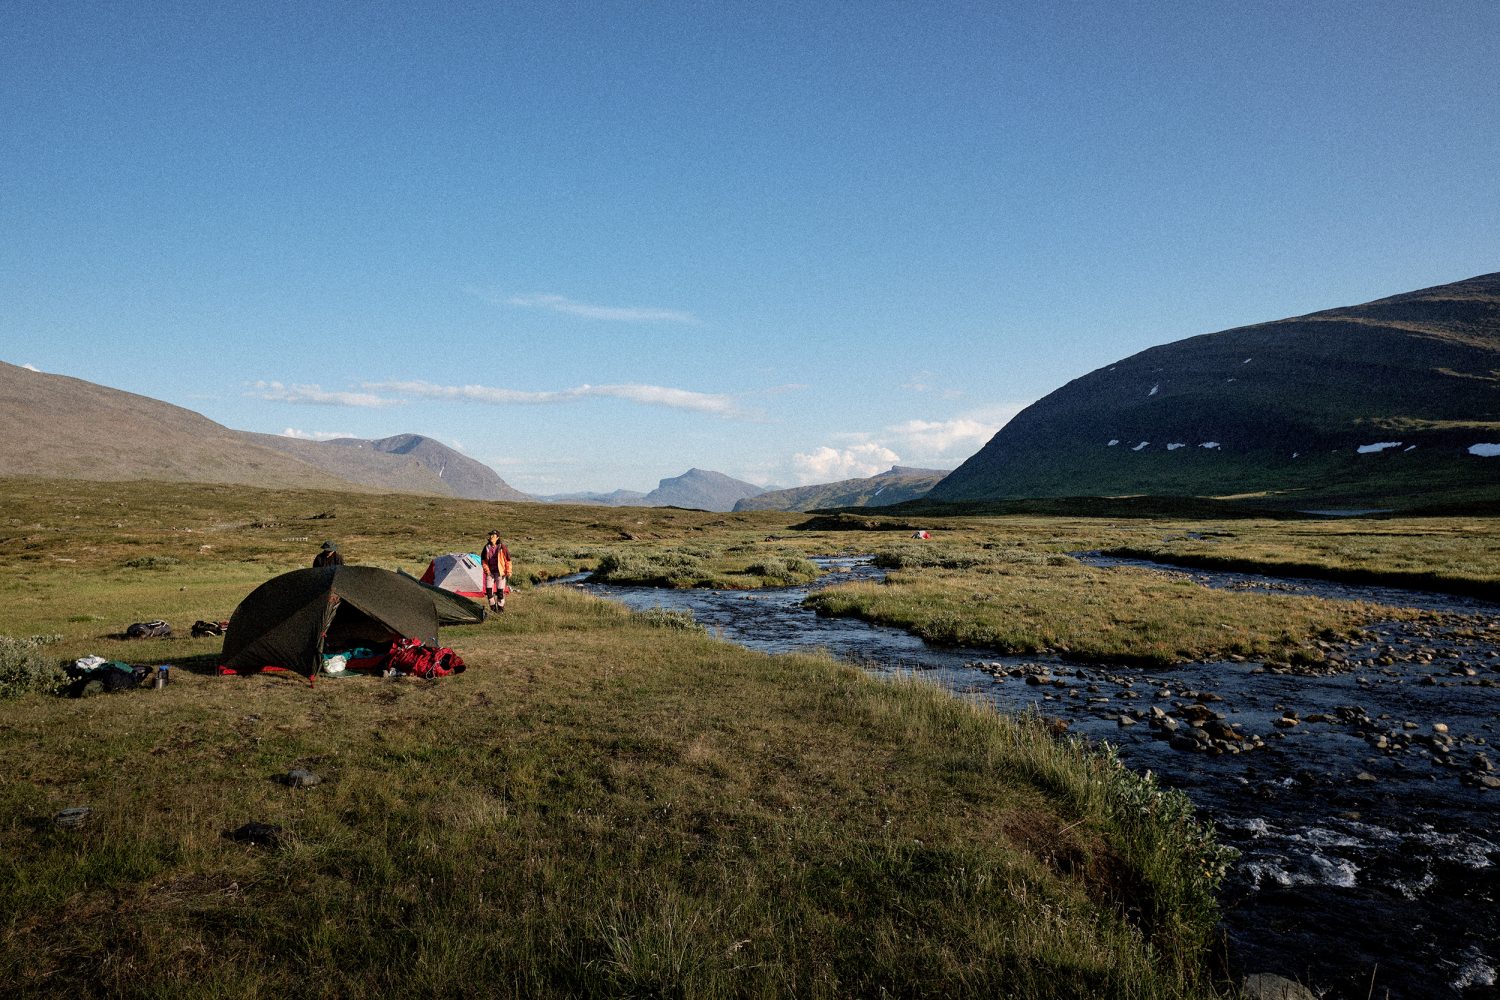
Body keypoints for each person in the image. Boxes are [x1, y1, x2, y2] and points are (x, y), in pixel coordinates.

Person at [480, 531, 511, 612]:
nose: (491, 537)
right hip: (490, 573)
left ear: (497, 538)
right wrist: (487, 570)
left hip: (501, 573)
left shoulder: (502, 547)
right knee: (489, 592)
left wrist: (508, 571)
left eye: (493, 536)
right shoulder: (486, 547)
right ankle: (493, 609)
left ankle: (500, 610)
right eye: (490, 535)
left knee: (500, 593)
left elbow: (508, 560)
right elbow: (483, 560)